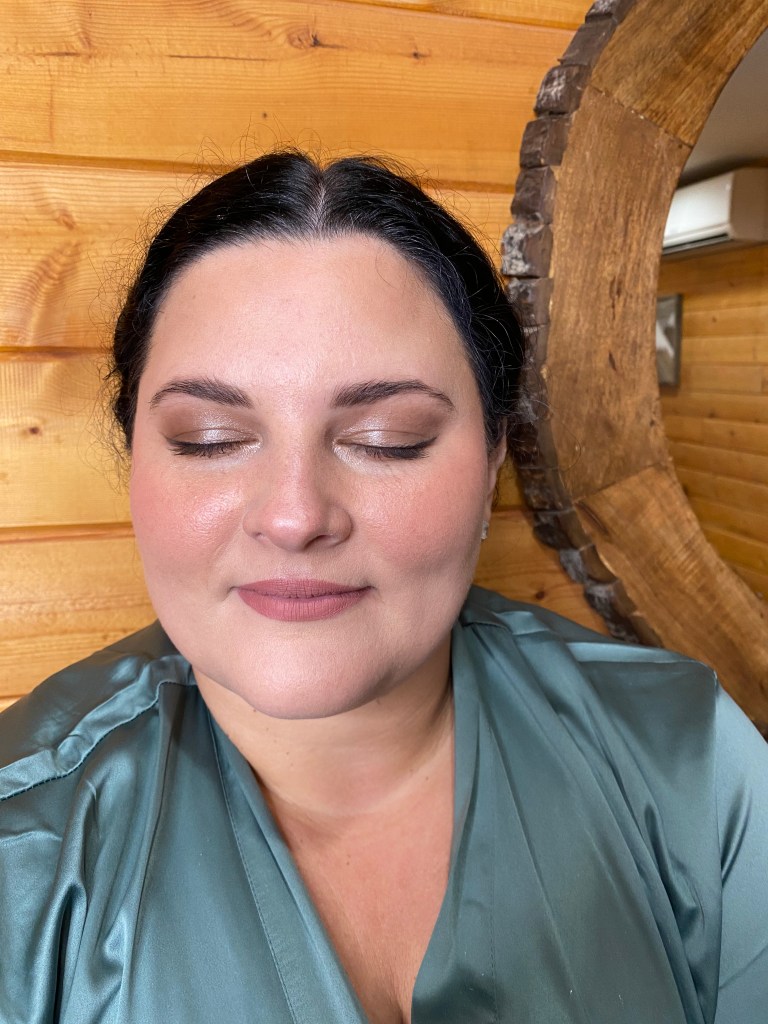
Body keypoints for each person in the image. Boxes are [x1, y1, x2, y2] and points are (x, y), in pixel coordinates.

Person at [0, 151, 766, 1024]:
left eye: (387, 439)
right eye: (209, 438)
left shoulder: (689, 761)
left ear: (492, 461)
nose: (295, 517)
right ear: (135, 458)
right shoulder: (24, 842)